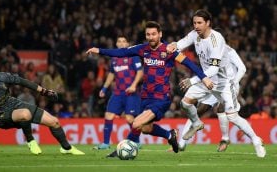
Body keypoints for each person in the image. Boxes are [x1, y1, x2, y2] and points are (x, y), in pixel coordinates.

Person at [86, 21, 213, 157]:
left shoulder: (169, 50)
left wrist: (204, 78)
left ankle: (119, 151)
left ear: (160, 34)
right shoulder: (142, 49)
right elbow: (122, 52)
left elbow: (189, 63)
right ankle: (169, 135)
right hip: (146, 96)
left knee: (136, 123)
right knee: (145, 128)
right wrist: (99, 50)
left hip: (161, 97)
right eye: (148, 34)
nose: (151, 37)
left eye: (154, 34)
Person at [166, 9, 266, 158]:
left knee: (232, 117)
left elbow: (214, 68)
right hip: (206, 80)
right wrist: (173, 45)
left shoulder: (217, 40)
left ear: (208, 23)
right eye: (194, 23)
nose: (196, 26)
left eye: (199, 23)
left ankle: (256, 140)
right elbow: (181, 43)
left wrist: (193, 80)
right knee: (185, 103)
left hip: (223, 83)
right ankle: (196, 123)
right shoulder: (195, 34)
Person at [0, 63, 85, 156]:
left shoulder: (2, 77)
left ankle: (67, 148)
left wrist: (44, 91)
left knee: (54, 122)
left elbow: (22, 81)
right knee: (25, 113)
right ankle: (30, 140)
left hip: (13, 103)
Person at [178, 39, 247, 152]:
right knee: (197, 111)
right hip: (212, 85)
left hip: (227, 86)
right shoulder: (208, 52)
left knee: (221, 108)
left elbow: (242, 68)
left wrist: (234, 82)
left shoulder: (229, 51)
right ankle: (181, 143)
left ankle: (225, 139)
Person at [93, 35, 143, 150]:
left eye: (124, 41)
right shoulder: (114, 58)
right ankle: (105, 143)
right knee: (108, 115)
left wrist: (134, 85)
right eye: (119, 41)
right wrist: (104, 88)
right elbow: (111, 74)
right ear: (116, 44)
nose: (121, 43)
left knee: (129, 118)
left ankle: (137, 141)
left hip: (131, 93)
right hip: (118, 93)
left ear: (127, 44)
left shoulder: (133, 56)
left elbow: (140, 72)